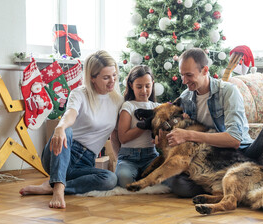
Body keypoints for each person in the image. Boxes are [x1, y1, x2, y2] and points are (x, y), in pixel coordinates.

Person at [165, 48, 263, 214]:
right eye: (182, 75)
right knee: (178, 184)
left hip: (243, 152)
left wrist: (189, 134)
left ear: (205, 70)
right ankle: (233, 193)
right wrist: (166, 130)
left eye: (188, 75)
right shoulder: (186, 97)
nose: (184, 81)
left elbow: (234, 140)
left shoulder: (228, 92)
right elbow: (171, 121)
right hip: (216, 163)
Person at [19, 50, 123, 209]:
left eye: (114, 75)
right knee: (65, 130)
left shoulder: (117, 100)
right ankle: (58, 190)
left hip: (85, 162)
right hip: (61, 152)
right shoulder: (80, 93)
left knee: (110, 179)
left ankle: (51, 186)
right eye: (106, 77)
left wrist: (120, 162)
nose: (112, 81)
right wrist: (60, 127)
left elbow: (115, 135)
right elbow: (70, 114)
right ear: (92, 78)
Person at [115, 65, 159, 187]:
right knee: (124, 180)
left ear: (152, 84)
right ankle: (138, 175)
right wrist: (144, 125)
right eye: (139, 87)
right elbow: (123, 137)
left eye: (147, 86)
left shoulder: (156, 107)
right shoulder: (128, 106)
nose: (144, 91)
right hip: (128, 157)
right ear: (131, 85)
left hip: (151, 156)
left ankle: (142, 176)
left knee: (166, 179)